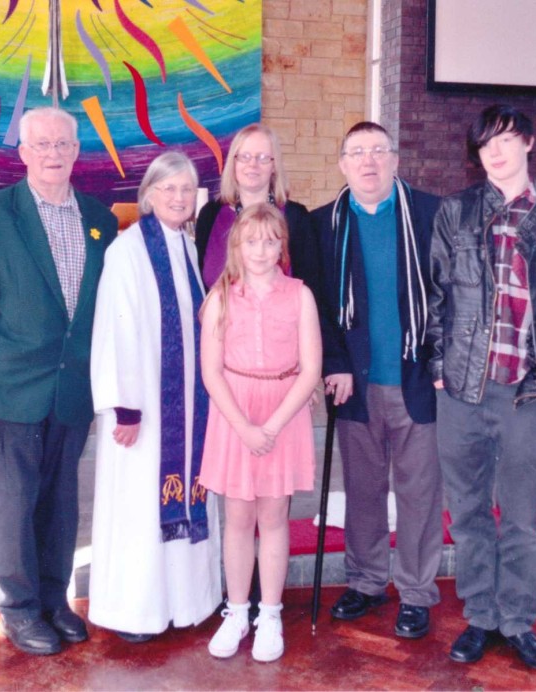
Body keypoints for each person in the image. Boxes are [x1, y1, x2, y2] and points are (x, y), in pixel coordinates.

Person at [0, 106, 118, 655]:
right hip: (9, 388)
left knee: (61, 505)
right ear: (22, 153)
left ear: (76, 151)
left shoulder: (101, 219)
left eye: (62, 143)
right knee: (14, 505)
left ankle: (54, 600)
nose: (52, 153)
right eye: (41, 144)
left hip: (72, 389)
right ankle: (19, 610)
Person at [428, 104, 536, 671]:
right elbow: (435, 295)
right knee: (469, 512)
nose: (494, 153)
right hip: (462, 391)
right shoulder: (455, 212)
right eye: (484, 145)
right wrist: (439, 365)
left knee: (521, 518)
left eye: (504, 140)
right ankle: (480, 615)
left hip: (525, 393)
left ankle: (518, 621)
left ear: (528, 142)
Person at [314, 121, 444, 640]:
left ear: (394, 159)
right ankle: (366, 582)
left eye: (377, 150)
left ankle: (415, 592)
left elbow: (453, 296)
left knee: (420, 495)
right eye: (357, 152)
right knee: (363, 491)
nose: (368, 161)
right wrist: (334, 363)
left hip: (418, 379)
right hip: (356, 384)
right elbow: (318, 305)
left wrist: (441, 364)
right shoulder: (324, 225)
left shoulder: (432, 215)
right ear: (342, 164)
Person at [88, 150, 222, 642]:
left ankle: (187, 603)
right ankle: (137, 612)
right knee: (139, 507)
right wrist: (125, 406)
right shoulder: (127, 251)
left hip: (187, 407)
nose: (179, 197)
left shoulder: (186, 246)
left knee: (184, 493)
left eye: (187, 189)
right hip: (142, 409)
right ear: (149, 195)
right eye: (169, 188)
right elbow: (115, 328)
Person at [199, 203, 322, 663]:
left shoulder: (300, 296)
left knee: (273, 518)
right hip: (234, 414)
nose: (261, 250)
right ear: (236, 245)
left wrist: (270, 426)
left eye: (270, 242)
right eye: (251, 241)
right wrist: (245, 427)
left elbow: (310, 369)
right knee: (237, 518)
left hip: (282, 414)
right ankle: (236, 612)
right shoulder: (220, 297)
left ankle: (269, 614)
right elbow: (211, 372)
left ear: (282, 247)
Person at [195, 123, 321, 298]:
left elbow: (312, 289)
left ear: (274, 166)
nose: (252, 164)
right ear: (233, 162)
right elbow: (199, 288)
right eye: (245, 156)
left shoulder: (296, 218)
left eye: (263, 157)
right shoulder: (210, 215)